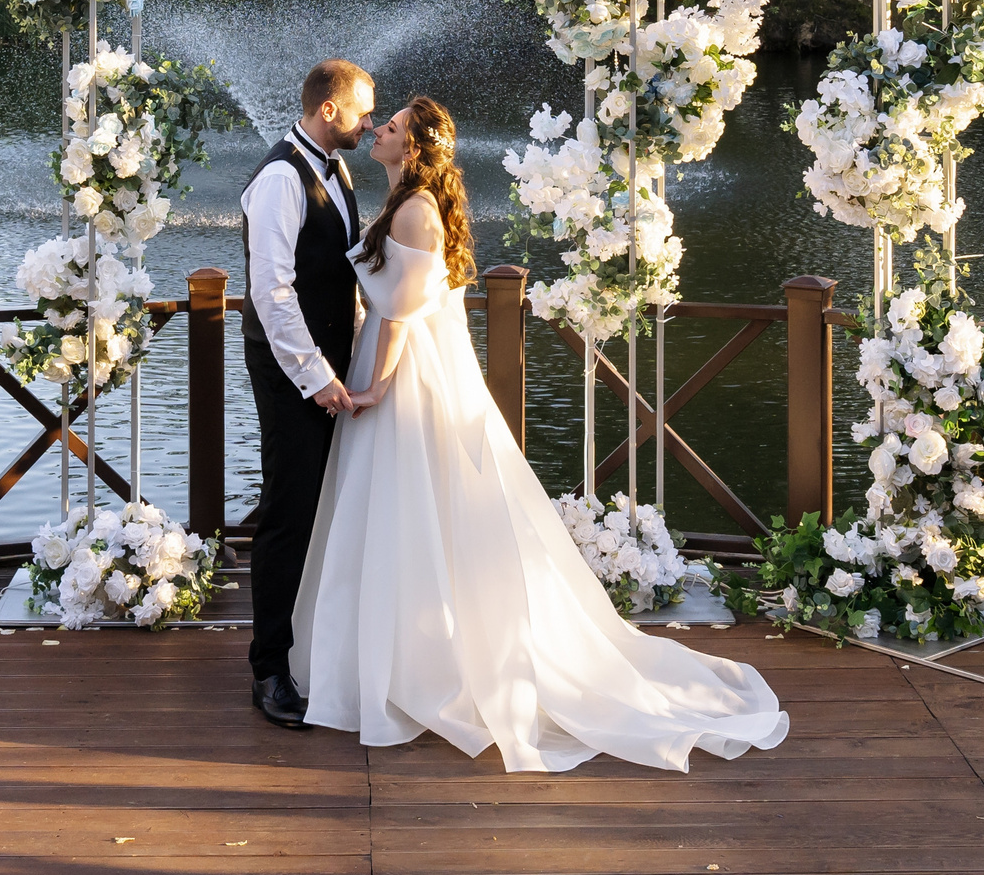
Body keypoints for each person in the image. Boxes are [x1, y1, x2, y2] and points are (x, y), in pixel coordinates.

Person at [289, 96, 790, 772]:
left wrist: (376, 386)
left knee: (409, 508)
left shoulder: (413, 210)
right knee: (398, 514)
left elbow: (402, 313)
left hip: (409, 375)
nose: (378, 129)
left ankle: (413, 670)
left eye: (393, 126)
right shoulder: (403, 199)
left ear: (413, 146)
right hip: (398, 357)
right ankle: (392, 662)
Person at [239, 58, 375, 729]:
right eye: (363, 111)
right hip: (291, 373)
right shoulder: (278, 179)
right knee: (288, 513)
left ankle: (310, 648)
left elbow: (335, 277)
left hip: (327, 370)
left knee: (321, 510)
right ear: (330, 111)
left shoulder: (336, 168)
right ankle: (268, 670)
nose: (369, 121)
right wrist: (319, 377)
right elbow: (271, 292)